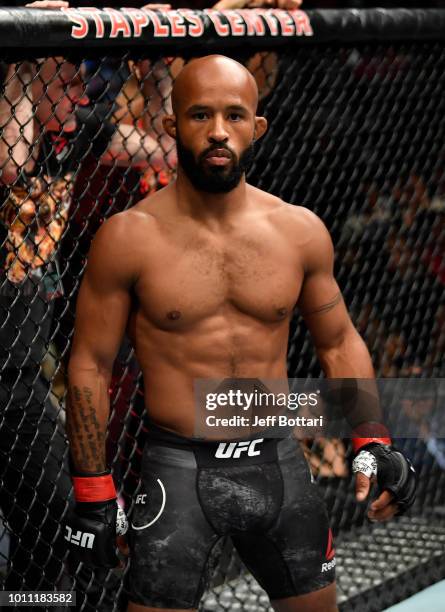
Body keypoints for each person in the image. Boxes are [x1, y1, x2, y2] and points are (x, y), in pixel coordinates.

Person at [66, 55, 417, 612]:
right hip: (179, 471)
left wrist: (373, 438)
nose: (218, 132)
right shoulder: (128, 238)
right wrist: (93, 487)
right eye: (200, 115)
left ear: (258, 127)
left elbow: (338, 341)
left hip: (278, 465)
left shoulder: (299, 231)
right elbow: (90, 363)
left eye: (234, 115)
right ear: (172, 125)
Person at [0, 1, 172, 604]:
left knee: (57, 524)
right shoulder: (13, 129)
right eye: (66, 81)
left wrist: (152, 61)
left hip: (17, 374)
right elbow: (11, 162)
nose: (79, 94)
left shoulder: (81, 134)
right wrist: (24, 61)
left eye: (82, 81)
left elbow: (165, 151)